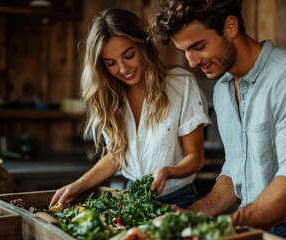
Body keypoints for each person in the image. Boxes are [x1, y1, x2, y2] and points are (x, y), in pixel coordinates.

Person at [149, 0, 286, 239]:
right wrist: (193, 214)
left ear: (230, 26)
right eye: (184, 51)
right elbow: (236, 173)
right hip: (250, 228)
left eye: (199, 46)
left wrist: (224, 225)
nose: (192, 62)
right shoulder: (222, 90)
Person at [49, 8, 211, 209]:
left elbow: (196, 157)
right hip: (131, 198)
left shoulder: (180, 84)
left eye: (129, 55)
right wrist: (79, 185)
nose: (123, 69)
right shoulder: (109, 96)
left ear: (143, 46)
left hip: (179, 198)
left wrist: (168, 171)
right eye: (111, 63)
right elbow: (117, 155)